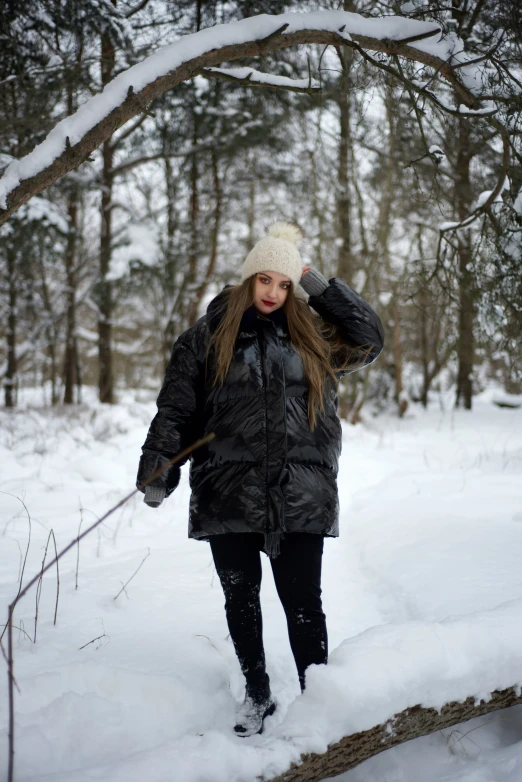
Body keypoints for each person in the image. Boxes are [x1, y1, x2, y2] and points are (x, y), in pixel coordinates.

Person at [136, 221, 384, 737]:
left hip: (301, 490)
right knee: (241, 598)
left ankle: (322, 702)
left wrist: (316, 282)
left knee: (303, 602)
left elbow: (369, 338)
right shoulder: (203, 339)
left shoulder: (314, 337)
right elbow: (176, 410)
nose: (273, 292)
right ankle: (256, 692)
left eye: (285, 283)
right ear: (248, 277)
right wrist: (160, 466)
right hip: (228, 492)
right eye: (265, 279)